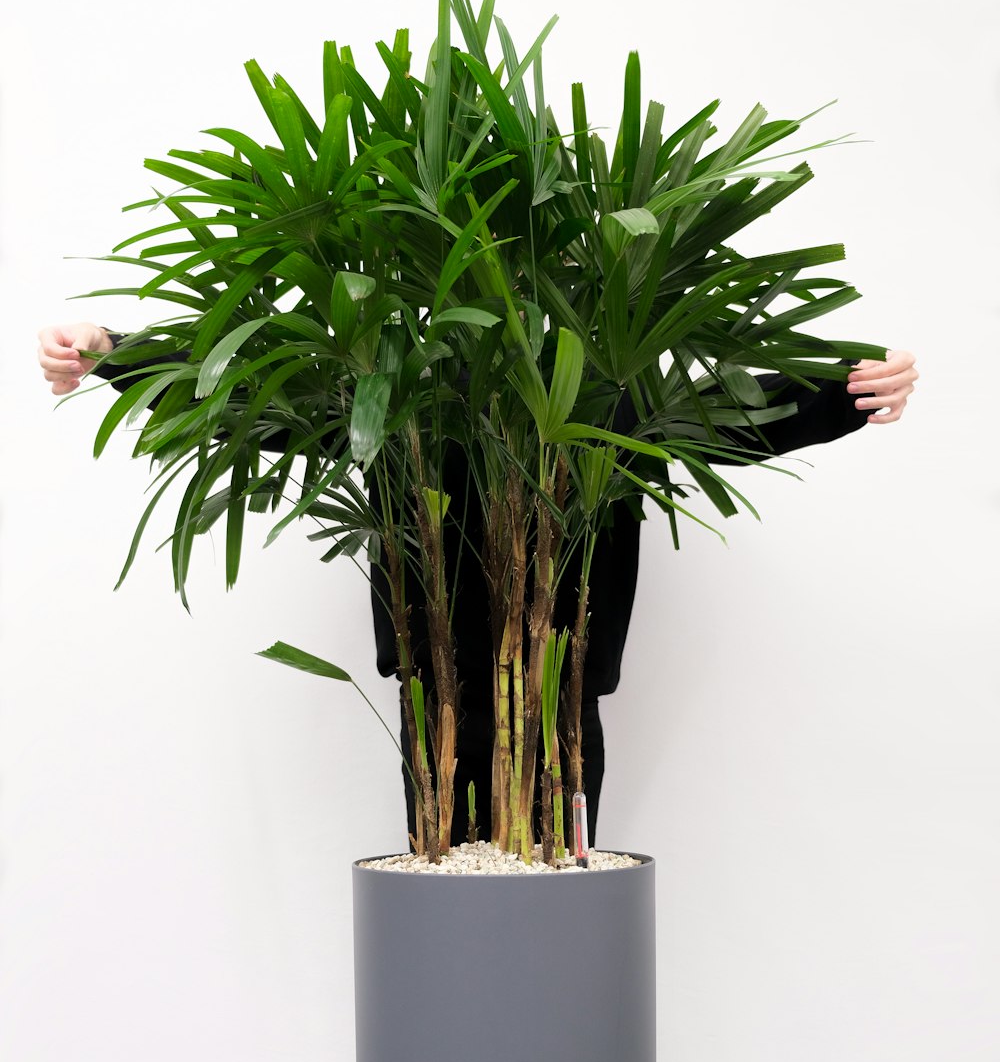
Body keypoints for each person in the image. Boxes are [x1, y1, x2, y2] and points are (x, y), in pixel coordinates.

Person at [36, 321, 919, 846]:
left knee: (565, 901)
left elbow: (724, 417)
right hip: (439, 699)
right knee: (447, 916)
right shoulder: (397, 389)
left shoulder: (603, 379)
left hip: (562, 697)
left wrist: (844, 393)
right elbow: (244, 399)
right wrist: (116, 352)